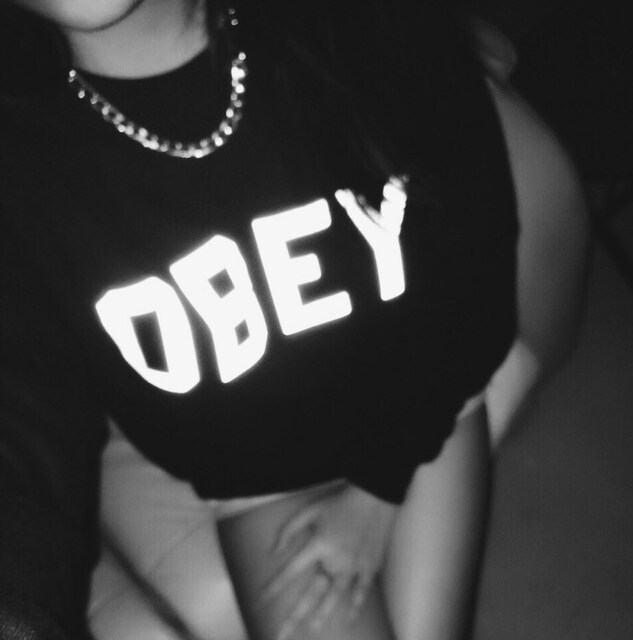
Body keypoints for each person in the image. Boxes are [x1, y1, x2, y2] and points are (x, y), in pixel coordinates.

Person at [0, 1, 588, 639]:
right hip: (263, 477)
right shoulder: (20, 164)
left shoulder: (360, 26)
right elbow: (26, 441)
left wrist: (380, 489)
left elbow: (472, 266)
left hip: (419, 401)